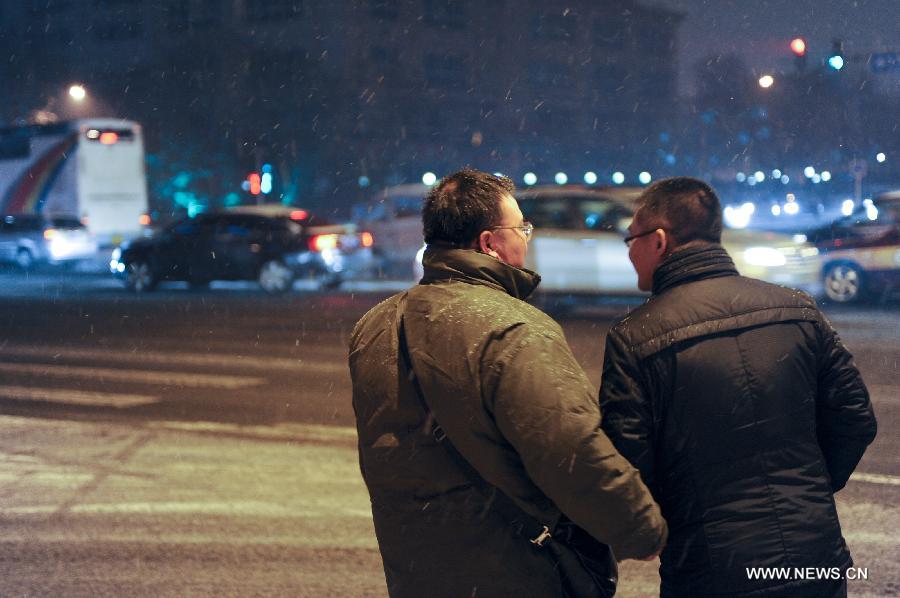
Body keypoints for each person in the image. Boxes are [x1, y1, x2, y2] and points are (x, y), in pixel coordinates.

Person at [349, 168, 667, 597]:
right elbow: (567, 449)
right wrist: (638, 526)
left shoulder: (376, 325)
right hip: (511, 568)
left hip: (415, 565)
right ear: (490, 243)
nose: (527, 237)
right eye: (521, 227)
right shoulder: (514, 328)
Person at [598, 176, 877, 597]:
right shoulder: (796, 309)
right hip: (816, 560)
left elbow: (628, 460)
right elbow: (855, 419)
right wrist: (808, 489)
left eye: (630, 238)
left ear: (658, 240)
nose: (629, 250)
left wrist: (661, 525)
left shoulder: (636, 337)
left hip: (713, 568)